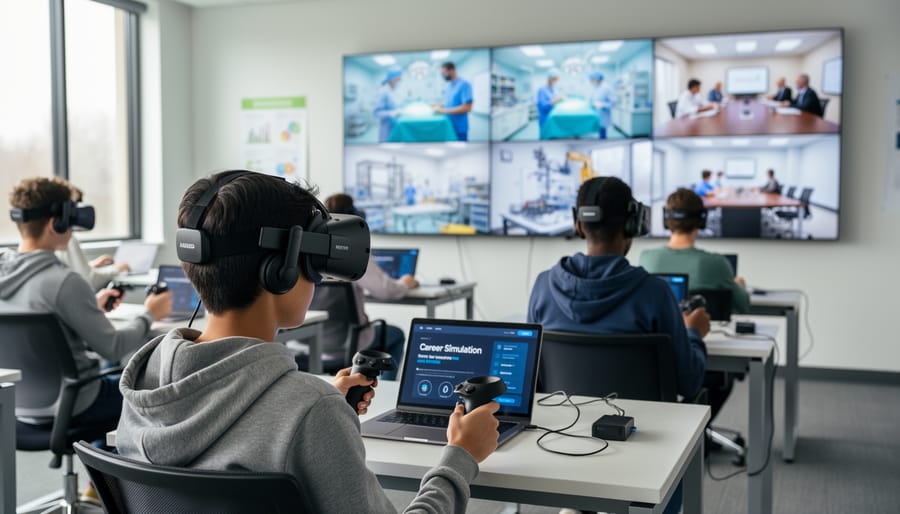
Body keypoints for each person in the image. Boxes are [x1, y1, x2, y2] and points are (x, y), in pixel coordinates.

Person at [115, 171, 500, 513]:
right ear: (280, 271)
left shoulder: (146, 381)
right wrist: (459, 459)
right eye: (313, 263)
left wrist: (309, 402)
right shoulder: (311, 410)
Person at [528, 177, 708, 514]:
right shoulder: (654, 293)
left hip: (563, 444)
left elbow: (532, 379)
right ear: (633, 224)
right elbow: (690, 381)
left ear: (578, 224)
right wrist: (695, 333)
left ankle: (580, 504)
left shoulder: (542, 287)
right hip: (647, 458)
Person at [0, 177, 172, 434]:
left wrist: (91, 310)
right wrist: (150, 313)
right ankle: (108, 471)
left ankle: (99, 471)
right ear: (54, 223)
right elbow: (113, 348)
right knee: (158, 386)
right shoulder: (64, 281)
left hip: (16, 403)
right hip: (78, 402)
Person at [321, 193, 419, 380]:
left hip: (311, 344)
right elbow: (386, 291)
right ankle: (386, 393)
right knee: (396, 335)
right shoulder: (353, 255)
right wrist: (404, 283)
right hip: (351, 344)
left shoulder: (309, 253)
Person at [639, 188, 751, 315]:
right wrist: (739, 285)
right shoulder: (718, 263)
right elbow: (744, 306)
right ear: (702, 219)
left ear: (666, 219)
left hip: (662, 334)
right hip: (704, 333)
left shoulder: (646, 259)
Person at [55, 187, 130, 291]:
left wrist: (91, 265)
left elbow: (66, 270)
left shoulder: (50, 238)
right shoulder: (67, 239)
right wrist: (117, 269)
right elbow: (89, 281)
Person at [431, 62, 473, 141]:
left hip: (459, 128)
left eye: (444, 73)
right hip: (448, 125)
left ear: (452, 70)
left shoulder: (464, 84)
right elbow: (450, 103)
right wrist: (439, 105)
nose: (443, 75)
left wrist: (443, 111)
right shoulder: (449, 86)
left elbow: (467, 108)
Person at [373, 69, 403, 142]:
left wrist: (399, 110)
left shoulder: (394, 91)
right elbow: (376, 113)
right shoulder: (383, 91)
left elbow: (395, 105)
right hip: (386, 127)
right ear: (392, 79)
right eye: (398, 79)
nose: (399, 81)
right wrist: (391, 113)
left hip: (395, 125)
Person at [589, 72, 616, 139]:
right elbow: (593, 99)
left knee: (602, 133)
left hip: (603, 115)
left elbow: (613, 103)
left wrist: (603, 105)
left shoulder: (606, 88)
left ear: (598, 79)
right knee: (598, 131)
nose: (591, 81)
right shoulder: (597, 87)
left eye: (592, 79)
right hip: (597, 114)